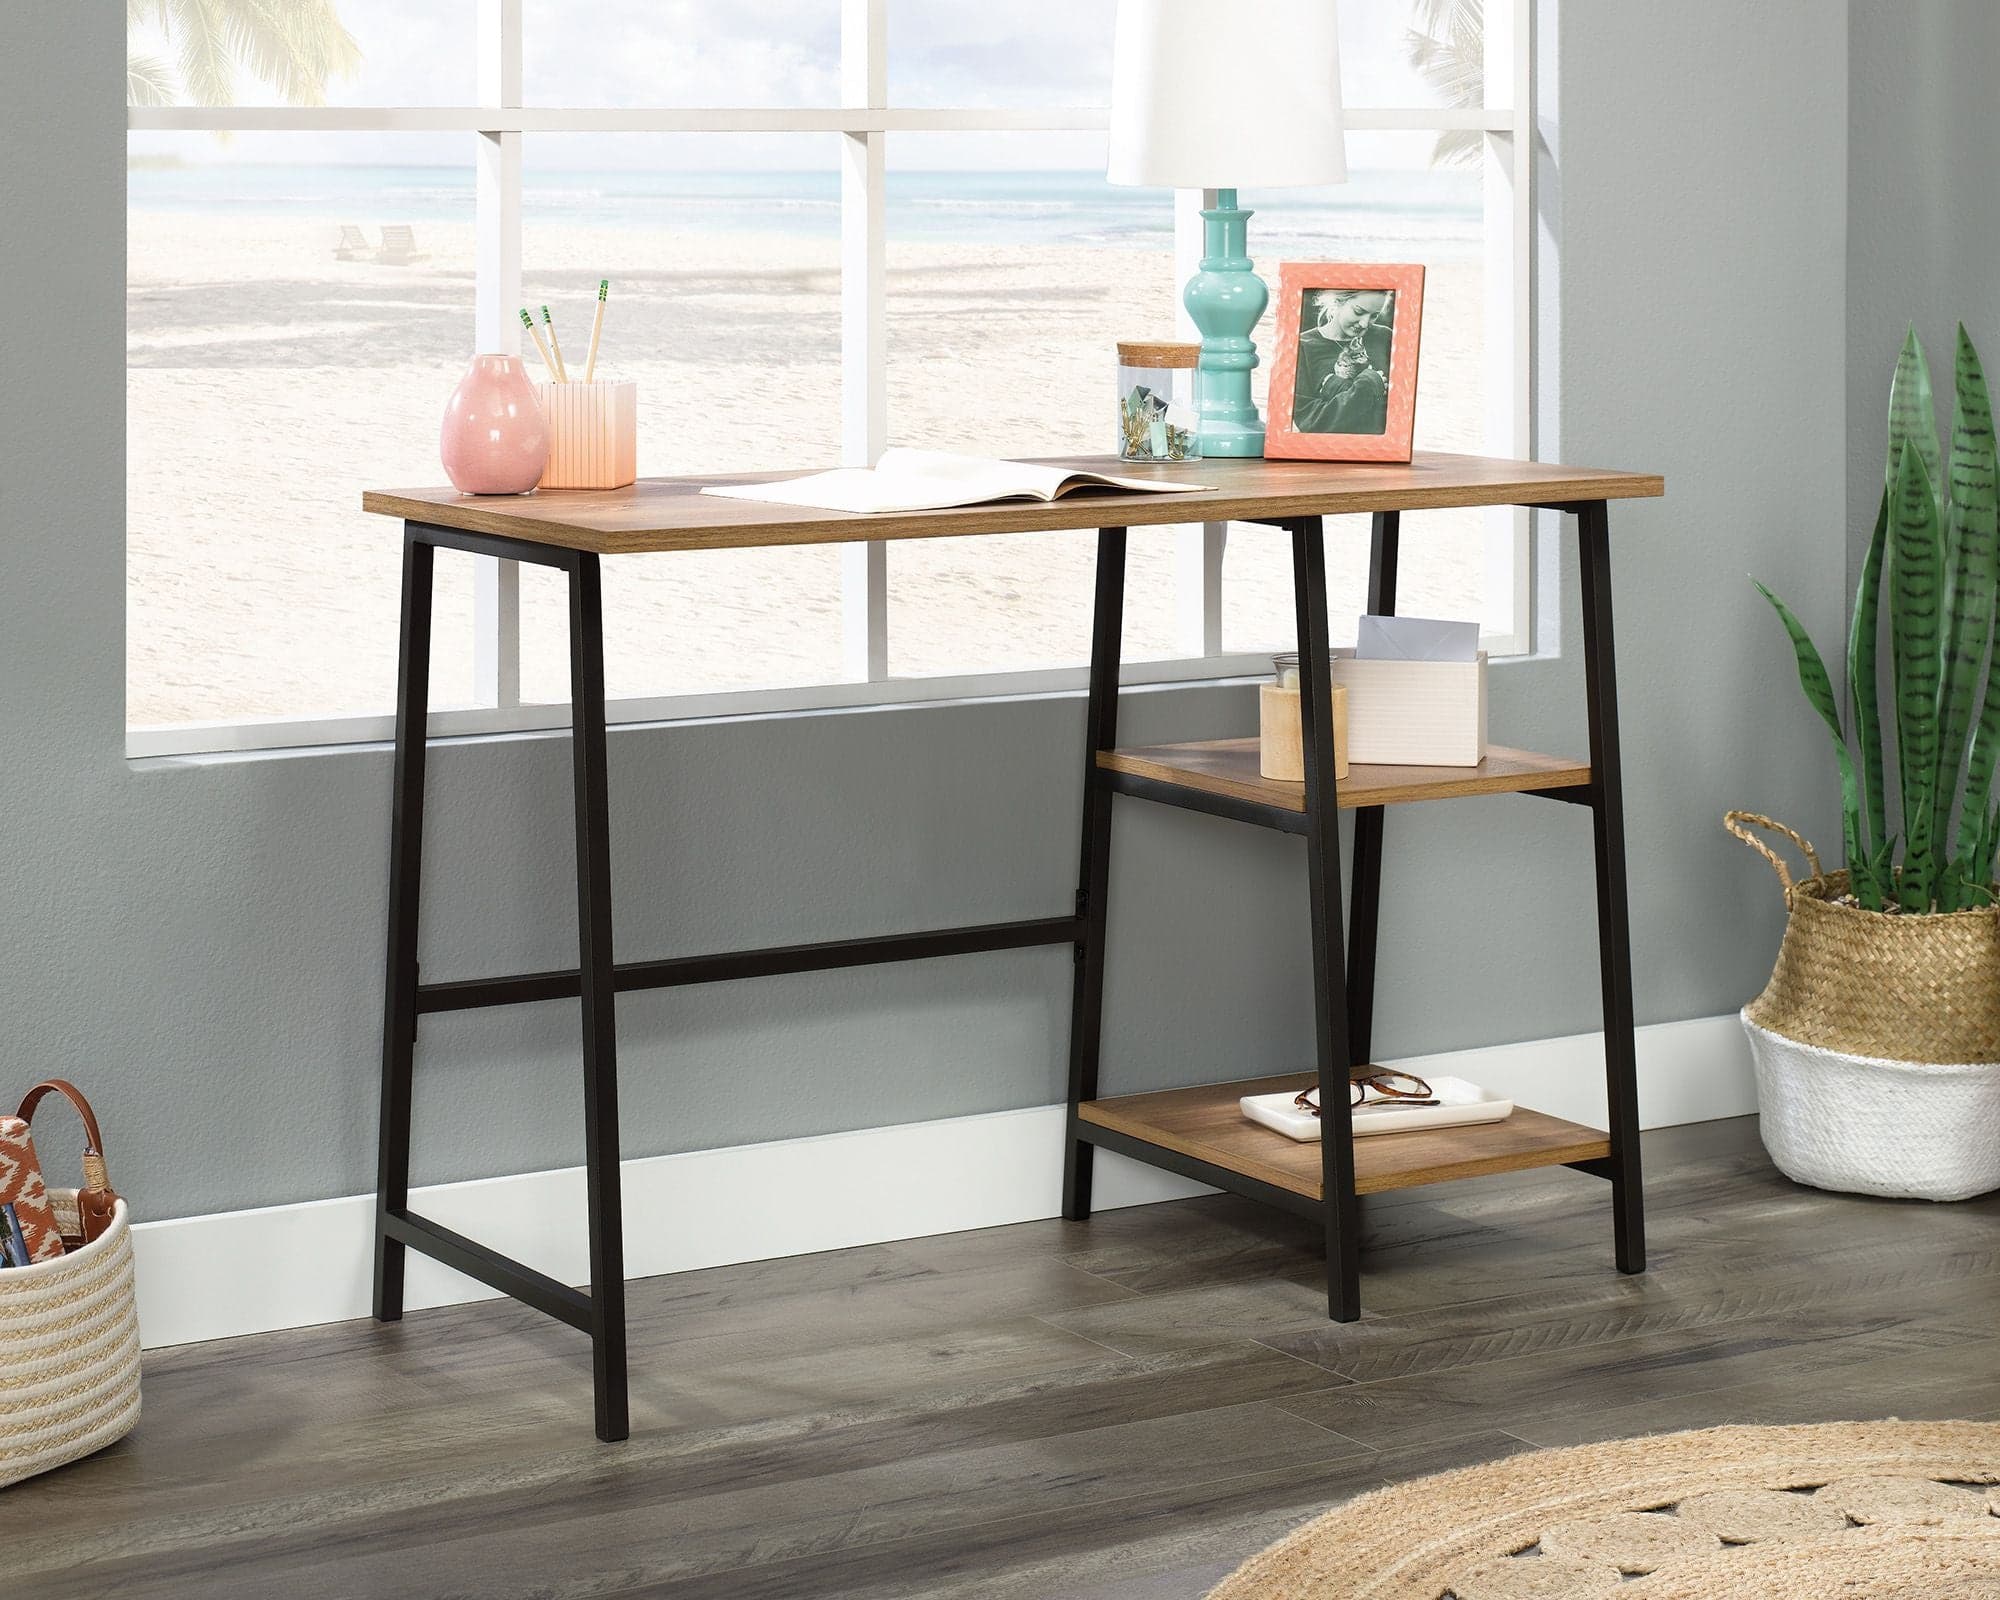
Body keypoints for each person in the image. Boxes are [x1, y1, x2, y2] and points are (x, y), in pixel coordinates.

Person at [1291, 289, 1394, 435]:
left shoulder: (1385, 338)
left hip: (1379, 451)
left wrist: (1335, 387)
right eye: (1358, 312)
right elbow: (1312, 423)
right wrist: (1368, 386)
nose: (1364, 324)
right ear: (1337, 302)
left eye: (1374, 316)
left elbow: (1395, 413)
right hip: (1330, 451)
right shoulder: (1301, 346)